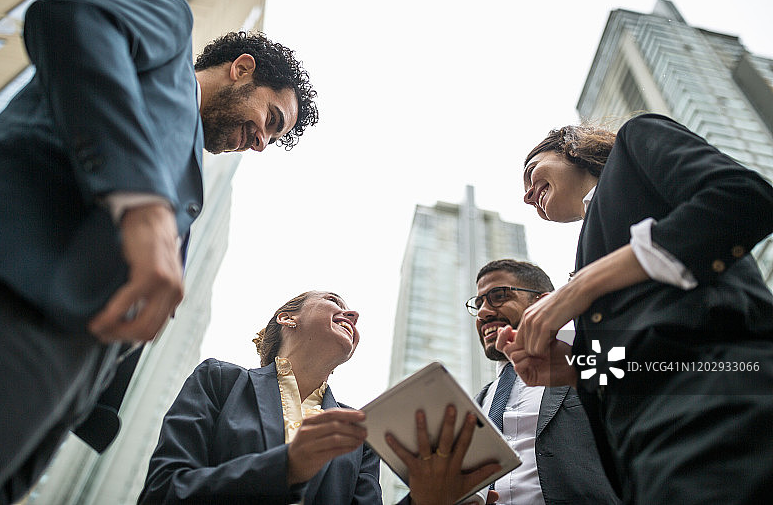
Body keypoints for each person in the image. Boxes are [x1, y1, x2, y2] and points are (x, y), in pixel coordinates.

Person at [0, 0, 317, 505]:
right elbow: (70, 20)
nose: (263, 141)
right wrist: (142, 204)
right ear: (241, 68)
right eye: (271, 119)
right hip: (8, 293)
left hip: (62, 383)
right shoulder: (169, 33)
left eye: (274, 136)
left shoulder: (192, 176)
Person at [502, 113, 773, 504]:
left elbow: (743, 197)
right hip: (648, 457)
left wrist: (582, 289)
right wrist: (574, 367)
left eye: (532, 172)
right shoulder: (587, 251)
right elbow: (643, 358)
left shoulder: (636, 140)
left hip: (721, 404)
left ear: (569, 146)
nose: (527, 195)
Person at [139, 291, 500, 505]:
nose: (354, 314)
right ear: (287, 318)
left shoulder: (359, 430)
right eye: (332, 300)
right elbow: (163, 491)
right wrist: (286, 467)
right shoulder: (219, 380)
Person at [465, 259, 618, 504]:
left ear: (543, 302)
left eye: (498, 296)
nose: (483, 312)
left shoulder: (587, 363)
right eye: (479, 302)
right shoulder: (476, 404)